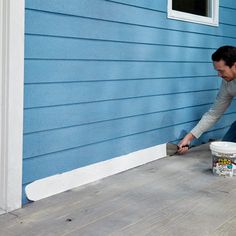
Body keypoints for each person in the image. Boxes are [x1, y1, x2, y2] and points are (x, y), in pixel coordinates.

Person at [178, 45, 236, 154]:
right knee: (226, 151)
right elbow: (214, 113)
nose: (219, 75)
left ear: (234, 66)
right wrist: (189, 137)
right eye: (217, 71)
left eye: (221, 71)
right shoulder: (227, 83)